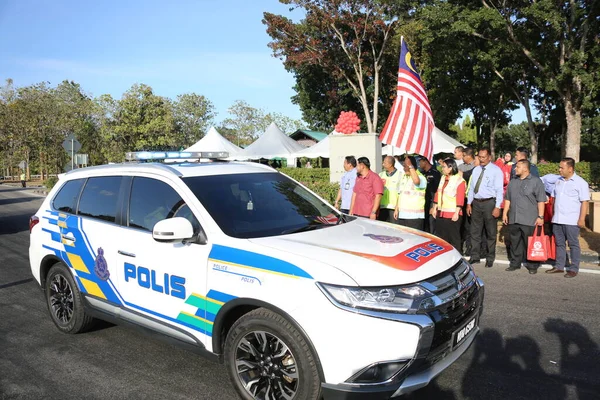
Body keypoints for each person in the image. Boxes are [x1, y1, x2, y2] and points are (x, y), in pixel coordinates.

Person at [546, 158, 590, 278]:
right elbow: (554, 199)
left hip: (571, 220)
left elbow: (584, 202)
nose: (559, 170)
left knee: (573, 244)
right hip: (558, 219)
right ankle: (559, 266)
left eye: (562, 168)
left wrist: (581, 219)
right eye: (559, 167)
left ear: (570, 169)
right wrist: (553, 215)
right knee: (559, 243)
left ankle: (573, 268)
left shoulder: (581, 183)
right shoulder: (558, 181)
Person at [502, 160, 547, 274]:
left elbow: (541, 200)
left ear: (525, 169)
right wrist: (505, 213)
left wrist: (540, 216)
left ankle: (532, 265)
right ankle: (515, 263)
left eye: (517, 167)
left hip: (529, 219)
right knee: (515, 242)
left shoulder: (536, 182)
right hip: (514, 217)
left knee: (529, 243)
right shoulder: (513, 182)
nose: (515, 169)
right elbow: (508, 198)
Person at [466, 147, 504, 268]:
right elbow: (472, 188)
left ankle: (490, 257)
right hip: (476, 203)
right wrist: (469, 203)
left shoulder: (496, 171)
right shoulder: (476, 170)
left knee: (490, 232)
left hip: (489, 203)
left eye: (483, 157)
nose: (481, 159)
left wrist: (497, 206)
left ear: (489, 157)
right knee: (475, 231)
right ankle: (475, 256)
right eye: (479, 157)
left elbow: (499, 190)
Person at [431, 159, 466, 251]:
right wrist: (434, 207)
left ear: (450, 168)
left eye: (444, 167)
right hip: (441, 212)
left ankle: (457, 255)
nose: (442, 168)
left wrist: (457, 212)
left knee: (454, 237)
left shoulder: (459, 180)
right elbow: (438, 193)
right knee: (442, 237)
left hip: (452, 213)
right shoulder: (443, 178)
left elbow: (460, 197)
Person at [394, 155, 427, 230]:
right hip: (402, 215)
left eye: (405, 166)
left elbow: (417, 182)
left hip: (414, 216)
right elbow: (400, 194)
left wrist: (410, 166)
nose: (403, 168)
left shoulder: (421, 177)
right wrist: (396, 209)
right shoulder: (404, 177)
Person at [459, 148, 476, 255]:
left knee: (471, 225)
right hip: (463, 199)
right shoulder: (461, 167)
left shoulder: (475, 166)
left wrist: (463, 174)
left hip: (473, 199)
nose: (462, 157)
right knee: (464, 224)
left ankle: (470, 246)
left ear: (469, 156)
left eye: (464, 155)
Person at [419, 156, 441, 233]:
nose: (419, 164)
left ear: (425, 161)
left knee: (432, 224)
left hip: (432, 201)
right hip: (423, 202)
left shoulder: (435, 173)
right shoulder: (421, 173)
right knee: (424, 225)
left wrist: (434, 205)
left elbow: (438, 190)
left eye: (420, 161)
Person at [378, 156, 401, 223]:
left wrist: (397, 207)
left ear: (390, 164)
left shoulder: (400, 175)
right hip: (382, 207)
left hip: (393, 208)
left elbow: (400, 193)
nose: (383, 164)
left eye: (384, 163)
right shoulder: (381, 174)